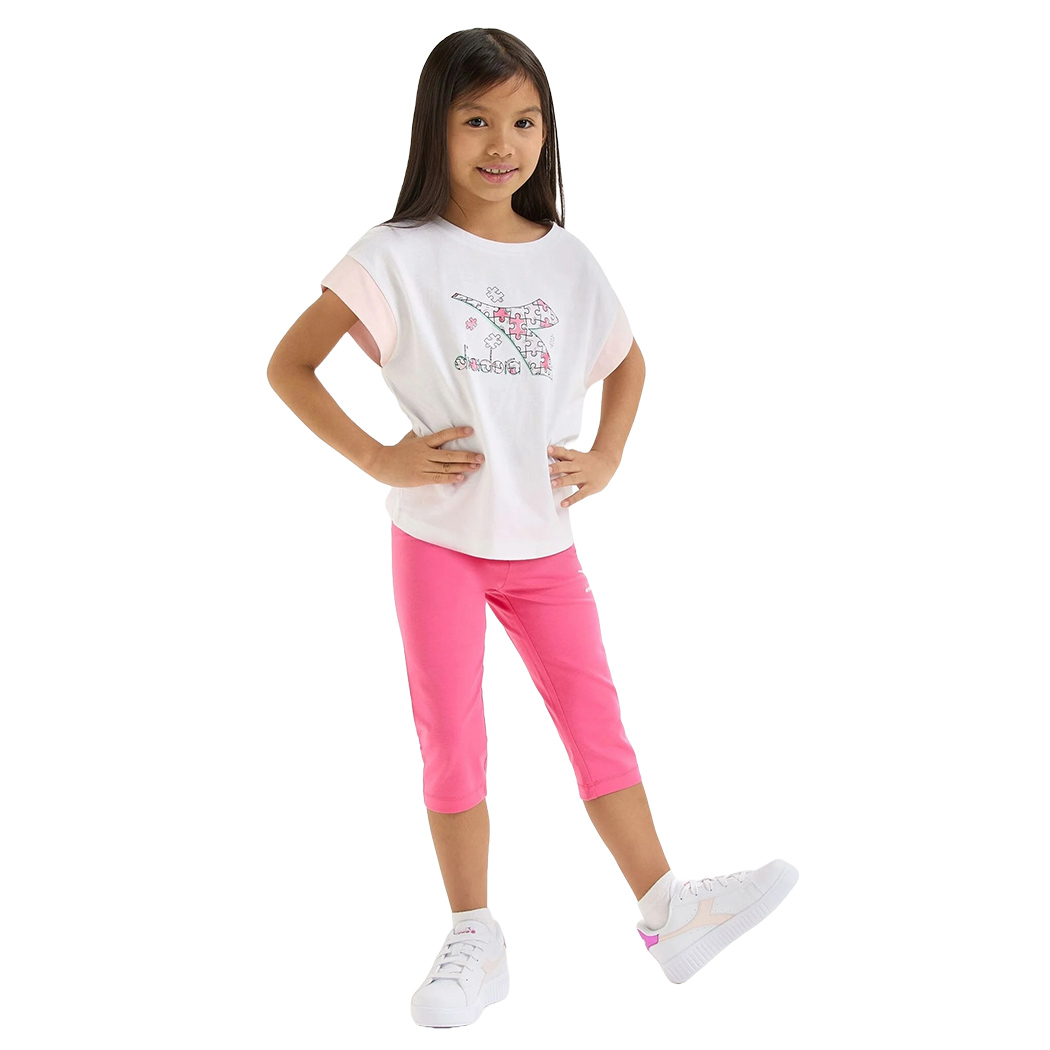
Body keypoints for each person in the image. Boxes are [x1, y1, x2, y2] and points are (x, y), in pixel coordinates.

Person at [267, 27, 798, 1029]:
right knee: (452, 736)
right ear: (435, 128)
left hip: (543, 544)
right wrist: (379, 458)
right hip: (437, 541)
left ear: (547, 133)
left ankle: (667, 909)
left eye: (523, 121)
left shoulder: (568, 259)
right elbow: (288, 365)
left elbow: (629, 362)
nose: (501, 143)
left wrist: (609, 455)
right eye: (476, 120)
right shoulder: (394, 254)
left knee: (596, 721)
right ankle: (475, 933)